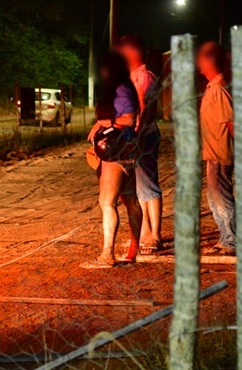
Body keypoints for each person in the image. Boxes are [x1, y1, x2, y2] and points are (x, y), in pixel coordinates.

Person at [82, 52, 144, 269]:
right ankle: (134, 250)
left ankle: (107, 254)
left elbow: (128, 119)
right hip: (126, 151)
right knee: (130, 200)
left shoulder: (120, 90)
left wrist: (102, 122)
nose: (102, 73)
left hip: (115, 153)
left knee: (107, 202)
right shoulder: (125, 89)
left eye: (104, 69)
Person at [116, 35, 163, 255]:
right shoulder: (132, 76)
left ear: (132, 53)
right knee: (138, 185)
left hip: (144, 135)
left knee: (148, 183)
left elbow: (145, 110)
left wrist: (136, 136)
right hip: (134, 135)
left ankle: (155, 234)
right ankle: (145, 230)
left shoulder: (145, 76)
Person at [197, 41, 236, 255]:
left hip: (220, 154)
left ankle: (231, 241)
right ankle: (225, 238)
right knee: (215, 199)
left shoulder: (220, 88)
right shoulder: (212, 87)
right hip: (212, 153)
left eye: (202, 56)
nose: (198, 61)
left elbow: (233, 122)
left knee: (222, 198)